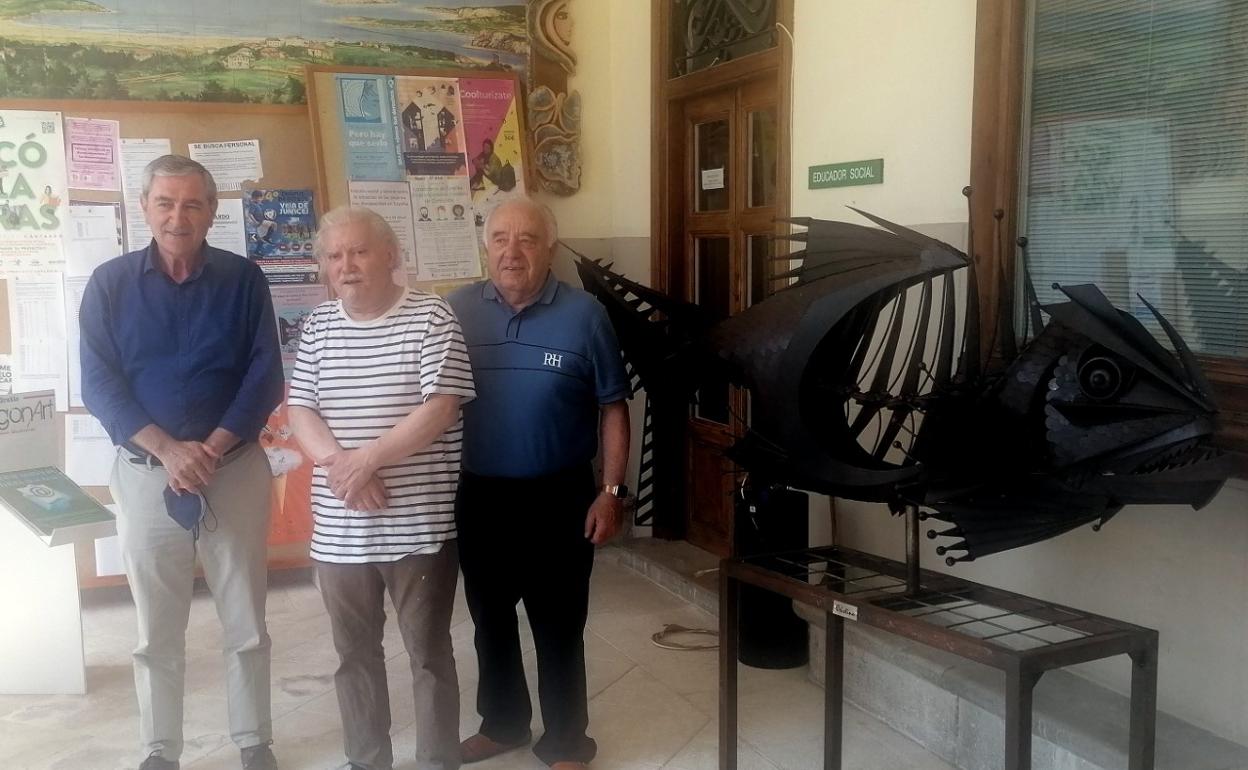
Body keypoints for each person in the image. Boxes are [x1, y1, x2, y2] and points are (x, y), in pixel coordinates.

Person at [79, 155, 284, 770]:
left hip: (236, 469)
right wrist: (168, 449)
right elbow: (98, 382)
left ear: (211, 213)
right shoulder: (109, 284)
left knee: (246, 617)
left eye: (192, 204)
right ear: (144, 209)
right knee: (155, 630)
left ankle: (253, 740)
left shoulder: (244, 280)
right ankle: (160, 749)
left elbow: (264, 373)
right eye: (165, 203)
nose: (178, 216)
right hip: (146, 476)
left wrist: (211, 448)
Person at [287, 206, 476, 770]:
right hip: (340, 530)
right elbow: (301, 409)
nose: (346, 265)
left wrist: (365, 461)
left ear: (391, 256)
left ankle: (437, 762)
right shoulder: (318, 325)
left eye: (359, 251)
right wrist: (343, 469)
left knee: (429, 656)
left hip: (418, 526)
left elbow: (440, 408)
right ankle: (367, 760)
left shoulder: (432, 317)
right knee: (354, 657)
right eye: (335, 255)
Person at [447, 197, 631, 770]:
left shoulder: (585, 315)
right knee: (490, 620)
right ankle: (502, 724)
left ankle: (567, 742)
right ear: (486, 246)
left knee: (559, 625)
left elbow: (613, 407)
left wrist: (612, 491)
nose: (511, 250)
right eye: (500, 238)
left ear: (548, 248)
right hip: (481, 495)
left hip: (561, 496)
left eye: (526, 239)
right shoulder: (453, 312)